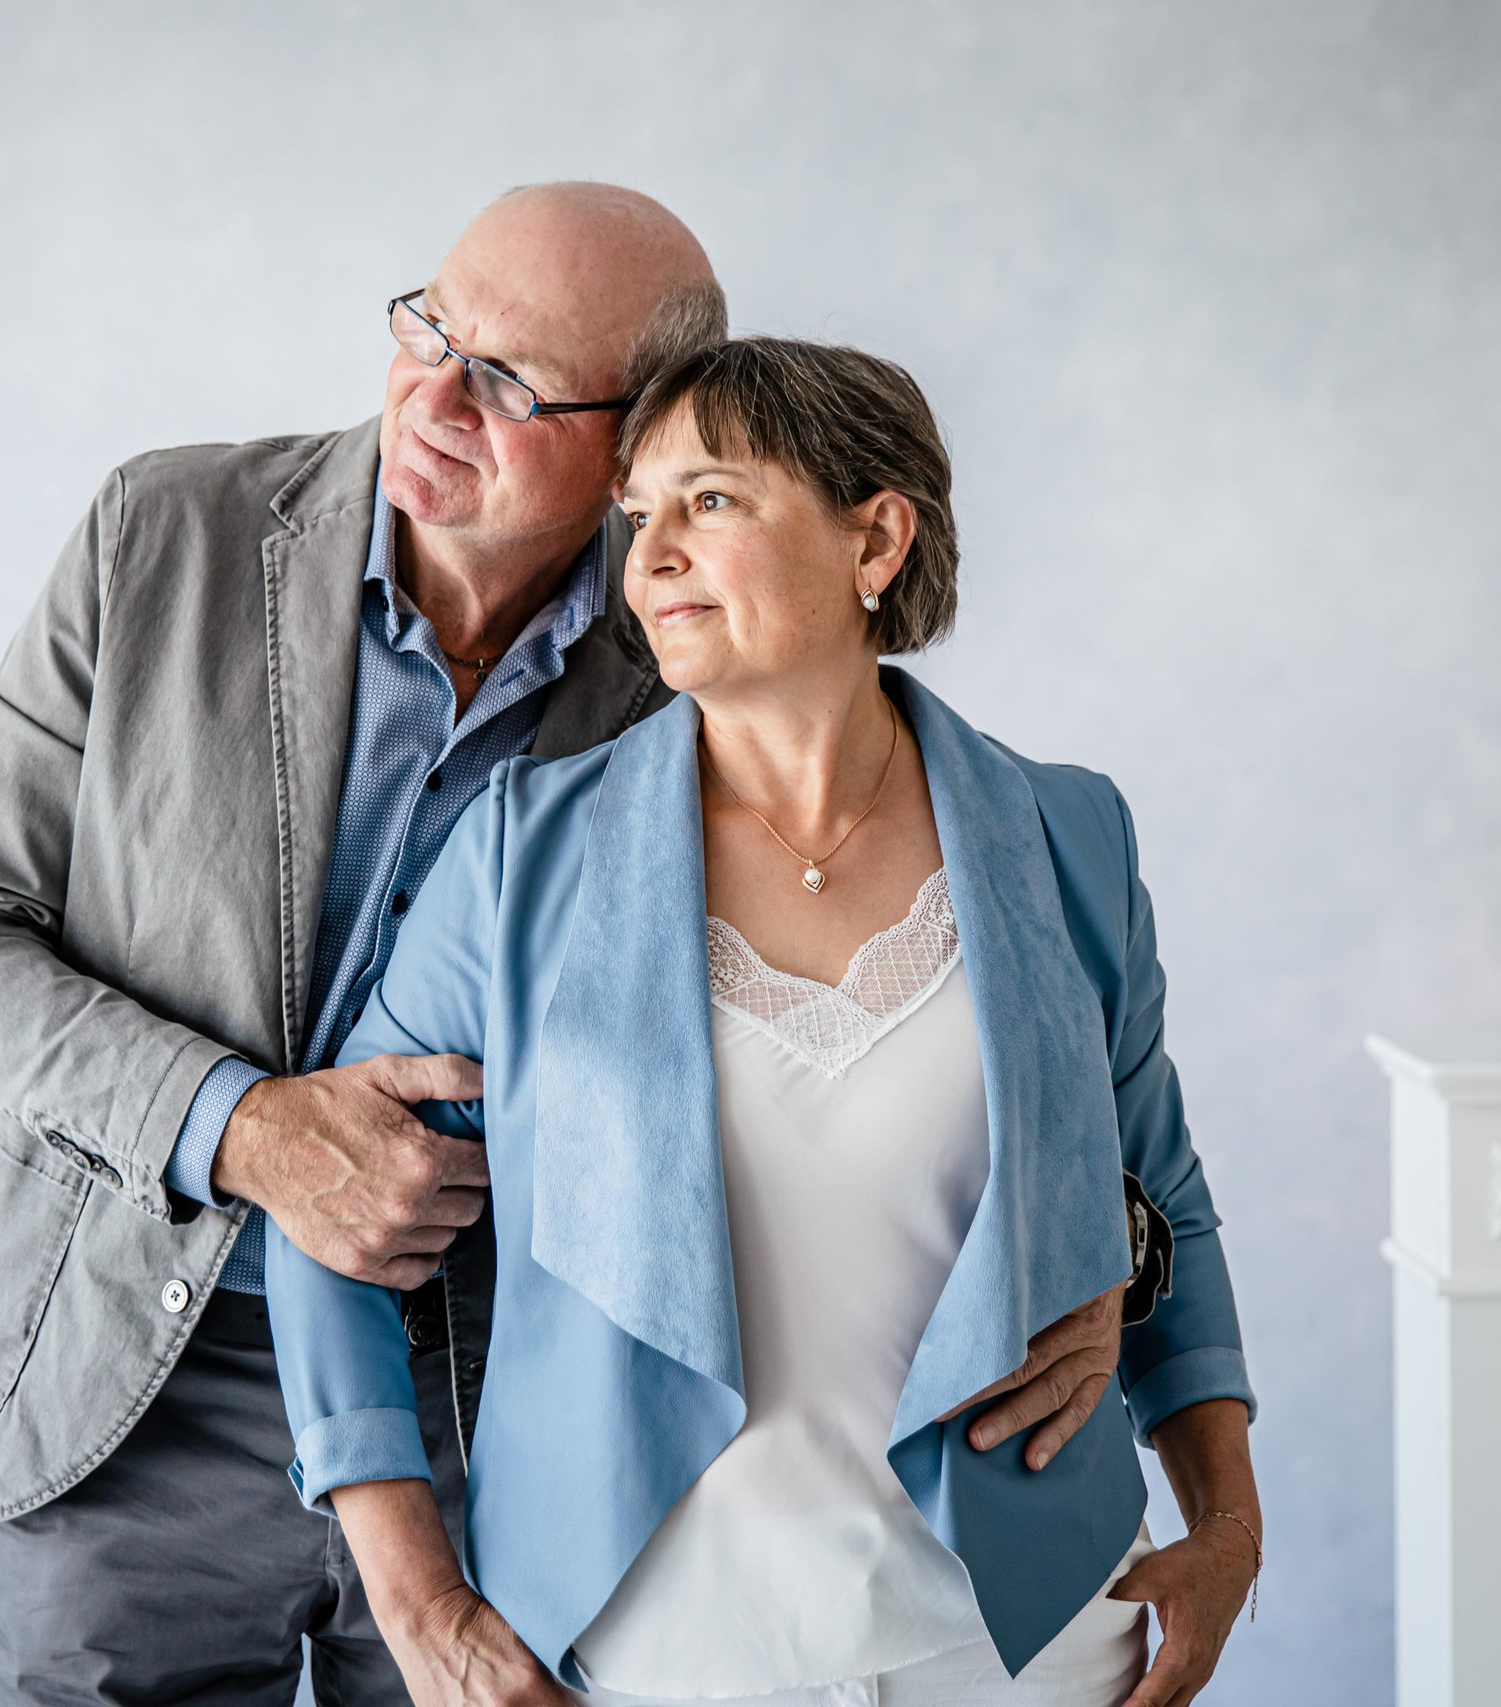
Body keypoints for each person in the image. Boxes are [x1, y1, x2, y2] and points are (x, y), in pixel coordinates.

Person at [0, 187, 1142, 1703]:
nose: (434, 395)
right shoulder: (169, 533)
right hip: (133, 1373)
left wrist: (1107, 1245)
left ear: (637, 444)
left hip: (497, 1418)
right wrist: (247, 1128)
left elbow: (912, 1035)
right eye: (429, 325)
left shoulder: (703, 640)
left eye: (512, 381)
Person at [266, 338, 1261, 1707]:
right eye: (641, 514)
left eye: (713, 501)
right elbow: (328, 1222)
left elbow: (1165, 1201)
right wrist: (423, 1606)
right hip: (654, 1647)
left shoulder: (1065, 833)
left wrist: (1227, 1527)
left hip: (1031, 1641)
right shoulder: (514, 862)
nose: (652, 553)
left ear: (878, 538)